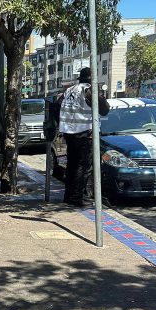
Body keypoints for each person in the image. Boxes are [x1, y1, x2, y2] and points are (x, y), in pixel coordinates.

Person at [58, 67, 109, 207]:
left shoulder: (69, 90)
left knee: (72, 165)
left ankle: (69, 196)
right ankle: (77, 197)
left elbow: (58, 103)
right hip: (84, 132)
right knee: (84, 166)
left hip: (69, 132)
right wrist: (100, 96)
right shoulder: (87, 90)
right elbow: (104, 109)